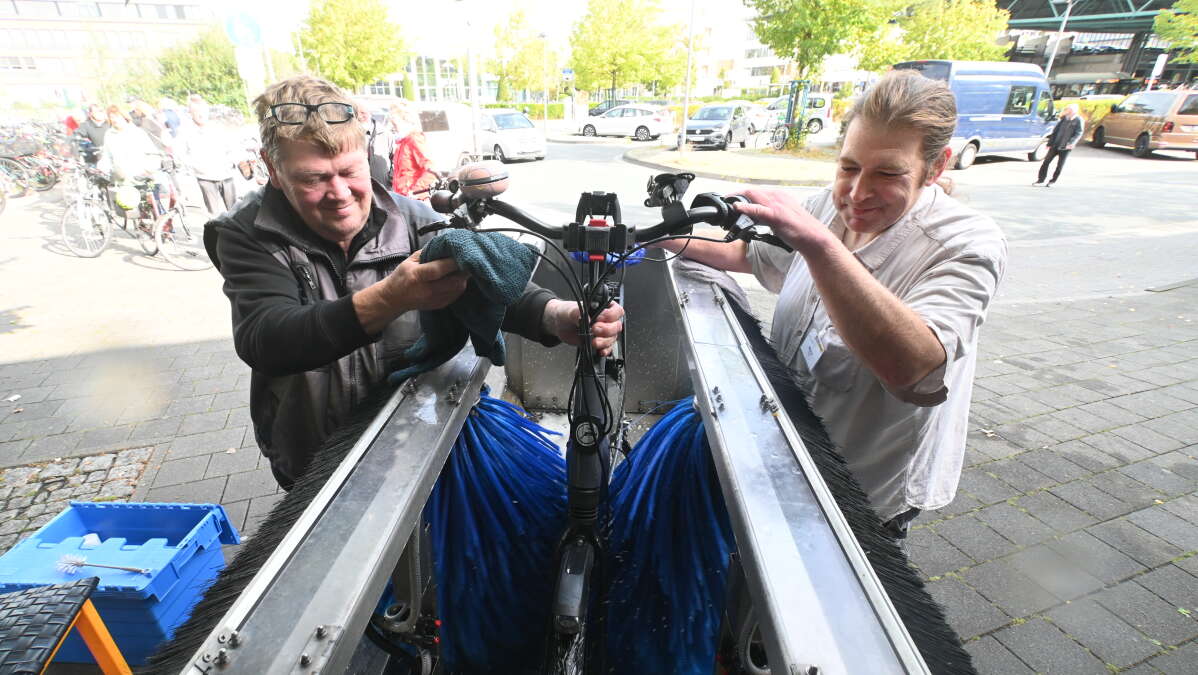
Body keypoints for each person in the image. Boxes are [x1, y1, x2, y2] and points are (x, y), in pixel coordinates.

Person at [205, 75, 625, 489]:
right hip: (313, 459)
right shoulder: (246, 234)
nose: (340, 193)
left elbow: (481, 281)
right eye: (313, 179)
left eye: (350, 171)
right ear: (273, 170)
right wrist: (390, 297)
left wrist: (558, 316)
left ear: (366, 152)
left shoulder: (412, 219)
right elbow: (266, 338)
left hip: (408, 442)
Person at [658, 70, 1007, 540]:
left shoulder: (966, 244)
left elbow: (912, 366)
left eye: (888, 173)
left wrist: (820, 245)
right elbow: (753, 254)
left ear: (936, 166)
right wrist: (665, 240)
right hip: (790, 453)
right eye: (848, 167)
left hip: (865, 488)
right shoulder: (827, 205)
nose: (858, 193)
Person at [178, 95, 239, 215]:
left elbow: (231, 147)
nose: (200, 115)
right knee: (213, 214)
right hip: (205, 177)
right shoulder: (186, 132)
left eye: (203, 112)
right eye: (196, 112)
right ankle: (218, 233)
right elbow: (181, 153)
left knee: (235, 210)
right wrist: (195, 166)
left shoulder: (218, 127)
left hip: (225, 174)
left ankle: (239, 233)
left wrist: (232, 161)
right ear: (191, 113)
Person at [1034, 103, 1084, 187]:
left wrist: (1071, 143)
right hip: (1055, 145)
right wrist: (1050, 143)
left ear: (1073, 111)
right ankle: (1040, 180)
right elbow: (1056, 131)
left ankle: (1053, 181)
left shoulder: (1079, 120)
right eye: (1067, 109)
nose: (1066, 111)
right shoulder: (1064, 118)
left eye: (1068, 109)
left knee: (1060, 165)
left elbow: (1078, 133)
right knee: (1046, 162)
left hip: (1066, 147)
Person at [391, 103, 434, 197]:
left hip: (413, 199)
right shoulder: (402, 142)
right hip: (403, 196)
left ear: (406, 120)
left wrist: (415, 192)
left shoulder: (414, 139)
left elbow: (430, 170)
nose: (393, 127)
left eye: (395, 123)